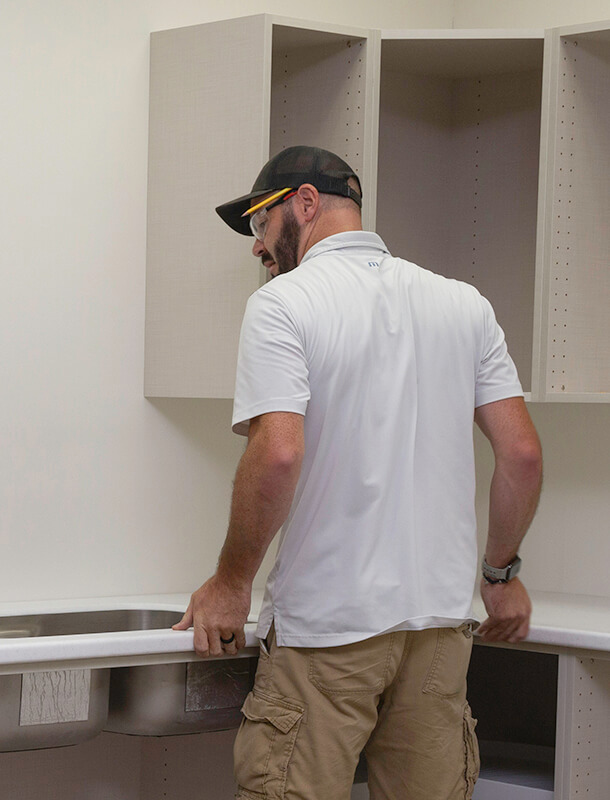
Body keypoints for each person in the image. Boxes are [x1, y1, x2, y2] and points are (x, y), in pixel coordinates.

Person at [172, 146, 544, 799]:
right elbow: (521, 454)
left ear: (306, 204)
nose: (257, 247)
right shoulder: (463, 304)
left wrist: (232, 584)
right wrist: (502, 574)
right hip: (437, 627)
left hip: (327, 631)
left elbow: (279, 453)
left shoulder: (284, 305)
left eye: (261, 223)